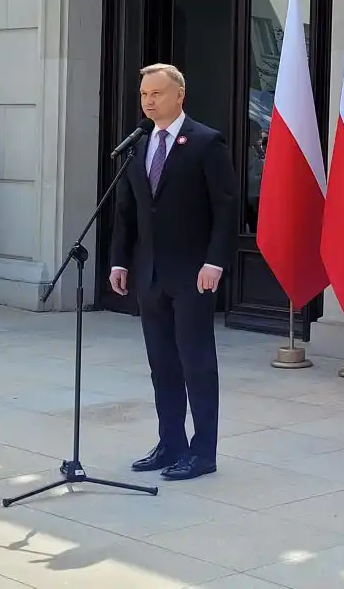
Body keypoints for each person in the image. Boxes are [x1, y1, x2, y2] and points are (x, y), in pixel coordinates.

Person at [110, 63, 236, 482]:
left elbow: (225, 209)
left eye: (157, 94)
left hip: (193, 273)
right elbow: (127, 210)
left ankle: (203, 451)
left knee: (196, 362)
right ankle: (170, 442)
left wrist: (215, 262)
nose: (148, 101)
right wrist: (119, 260)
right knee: (162, 363)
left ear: (179, 95)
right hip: (149, 274)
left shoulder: (205, 142)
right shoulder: (138, 144)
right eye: (144, 94)